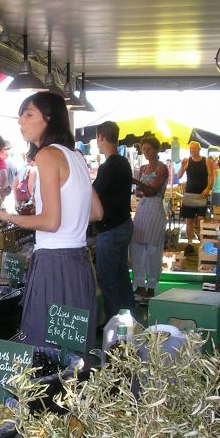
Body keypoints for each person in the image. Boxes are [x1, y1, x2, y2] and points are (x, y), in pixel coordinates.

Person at [0, 92, 103, 348]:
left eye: (28, 114)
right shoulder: (75, 156)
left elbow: (50, 222)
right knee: (73, 350)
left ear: (49, 119)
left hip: (53, 264)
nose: (21, 121)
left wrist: (5, 216)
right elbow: (96, 212)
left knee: (44, 349)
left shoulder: (46, 155)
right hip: (78, 265)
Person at [92, 120, 136, 320]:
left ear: (101, 137)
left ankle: (115, 328)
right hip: (124, 225)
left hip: (111, 230)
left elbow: (93, 195)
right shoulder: (124, 163)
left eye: (97, 138)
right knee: (121, 276)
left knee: (109, 279)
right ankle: (129, 320)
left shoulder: (108, 167)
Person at [130, 136, 168, 301]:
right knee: (137, 247)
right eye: (143, 149)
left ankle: (151, 286)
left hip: (155, 207)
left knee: (153, 249)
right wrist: (141, 186)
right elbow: (141, 192)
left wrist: (136, 182)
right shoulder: (143, 168)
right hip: (143, 207)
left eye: (148, 149)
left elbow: (153, 190)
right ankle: (139, 285)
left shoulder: (162, 168)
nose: (145, 152)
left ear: (157, 149)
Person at [178, 141, 215, 254]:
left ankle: (203, 242)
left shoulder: (206, 160)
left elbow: (211, 176)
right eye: (191, 149)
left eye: (194, 148)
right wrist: (181, 165)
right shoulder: (187, 161)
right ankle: (190, 243)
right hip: (189, 194)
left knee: (201, 219)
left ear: (199, 149)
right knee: (189, 220)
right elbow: (179, 176)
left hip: (201, 194)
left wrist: (208, 188)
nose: (192, 150)